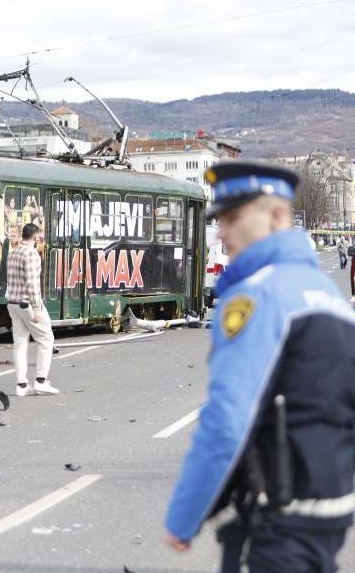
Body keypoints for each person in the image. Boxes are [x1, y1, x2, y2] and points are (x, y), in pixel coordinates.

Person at [164, 162, 355, 572]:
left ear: (276, 217)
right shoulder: (327, 295)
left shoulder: (256, 297)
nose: (222, 233)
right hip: (333, 506)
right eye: (219, 221)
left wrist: (184, 517)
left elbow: (226, 420)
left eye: (233, 219)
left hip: (281, 510)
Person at [5, 222, 57, 396]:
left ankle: (21, 385)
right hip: (27, 304)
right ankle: (41, 381)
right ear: (35, 237)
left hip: (12, 303)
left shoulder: (13, 253)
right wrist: (36, 310)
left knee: (20, 344)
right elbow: (33, 284)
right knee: (46, 339)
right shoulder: (32, 254)